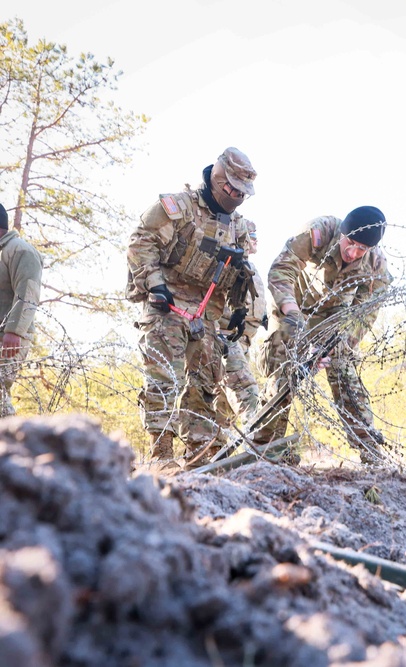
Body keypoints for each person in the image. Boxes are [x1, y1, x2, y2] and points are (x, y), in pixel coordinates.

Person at [127, 147, 257, 466]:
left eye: (242, 193)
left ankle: (200, 453)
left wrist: (240, 309)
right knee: (164, 378)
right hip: (167, 304)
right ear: (218, 180)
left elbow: (242, 274)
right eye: (233, 189)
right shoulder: (178, 207)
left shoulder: (239, 226)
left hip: (207, 312)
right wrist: (155, 283)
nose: (237, 196)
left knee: (204, 384)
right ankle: (162, 455)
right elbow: (140, 242)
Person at [252, 206, 392, 463]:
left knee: (345, 373)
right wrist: (293, 315)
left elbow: (367, 308)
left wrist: (341, 341)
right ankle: (265, 450)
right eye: (350, 243)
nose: (353, 253)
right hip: (293, 305)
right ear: (342, 233)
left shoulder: (376, 264)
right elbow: (281, 270)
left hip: (335, 316)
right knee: (283, 371)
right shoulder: (319, 231)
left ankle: (370, 450)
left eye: (361, 249)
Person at [216, 219, 266, 429]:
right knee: (245, 389)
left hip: (245, 339)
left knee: (222, 402)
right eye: (251, 237)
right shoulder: (229, 264)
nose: (255, 241)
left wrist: (262, 317)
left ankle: (213, 449)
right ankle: (258, 439)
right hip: (228, 337)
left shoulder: (249, 267)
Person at [0, 203, 43, 417]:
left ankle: (10, 444)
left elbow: (28, 291)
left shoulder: (19, 250)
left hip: (8, 337)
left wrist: (14, 331)